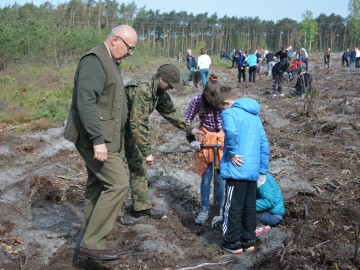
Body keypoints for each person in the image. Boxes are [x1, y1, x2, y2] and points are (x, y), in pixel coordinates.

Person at [63, 25, 137, 261]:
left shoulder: (111, 61)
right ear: (115, 39)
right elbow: (86, 102)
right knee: (118, 184)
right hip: (94, 138)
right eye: (129, 48)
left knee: (97, 185)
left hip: (106, 138)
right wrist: (97, 140)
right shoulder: (95, 60)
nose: (130, 53)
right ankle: (93, 243)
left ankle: (88, 239)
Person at [121, 64, 203, 223]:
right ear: (161, 79)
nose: (171, 89)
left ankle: (141, 207)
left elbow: (170, 112)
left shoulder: (159, 91)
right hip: (115, 130)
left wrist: (190, 129)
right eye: (170, 85)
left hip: (130, 129)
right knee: (115, 172)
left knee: (138, 166)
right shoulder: (143, 90)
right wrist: (147, 152)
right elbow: (138, 123)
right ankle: (115, 213)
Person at [214, 87, 270, 254]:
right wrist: (262, 170)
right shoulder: (255, 116)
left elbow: (231, 132)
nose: (222, 111)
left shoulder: (229, 113)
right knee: (249, 206)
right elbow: (264, 144)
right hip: (252, 170)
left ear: (226, 103)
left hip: (237, 168)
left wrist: (231, 153)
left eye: (222, 108)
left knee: (233, 207)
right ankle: (248, 241)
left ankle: (232, 242)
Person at [184, 74, 225, 225]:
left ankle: (219, 209)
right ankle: (204, 209)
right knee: (206, 176)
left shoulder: (225, 99)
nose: (212, 102)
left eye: (215, 100)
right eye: (210, 99)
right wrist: (191, 139)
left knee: (220, 177)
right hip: (205, 139)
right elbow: (186, 120)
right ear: (206, 94)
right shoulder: (197, 99)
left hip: (221, 139)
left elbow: (234, 119)